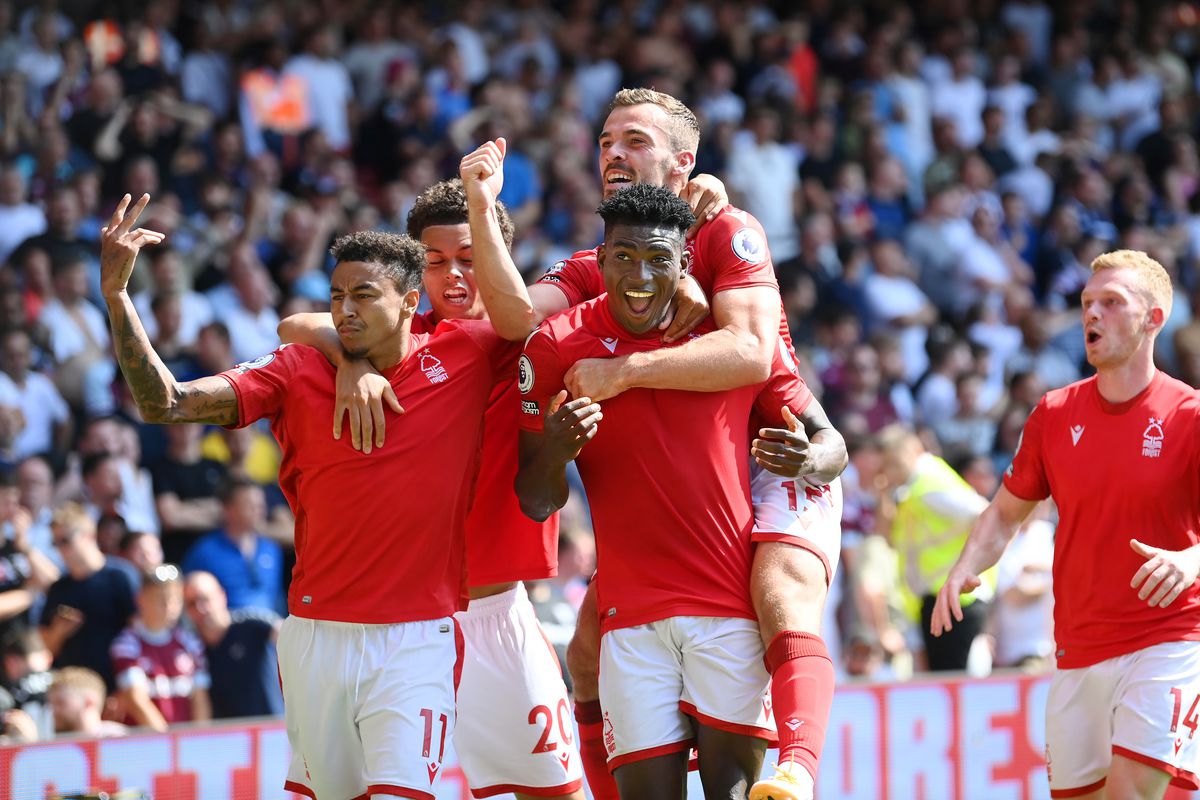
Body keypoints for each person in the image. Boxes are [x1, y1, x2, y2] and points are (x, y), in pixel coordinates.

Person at [461, 88, 844, 800]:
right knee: (583, 651)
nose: (613, 153)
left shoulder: (727, 228)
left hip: (774, 450)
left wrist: (621, 371)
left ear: (681, 164)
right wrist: (481, 206)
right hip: (675, 499)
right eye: (605, 140)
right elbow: (515, 318)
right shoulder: (590, 268)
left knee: (777, 591)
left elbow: (755, 357)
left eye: (634, 141)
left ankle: (797, 769)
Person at [101, 193, 511, 799]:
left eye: (364, 296)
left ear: (409, 303)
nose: (345, 311)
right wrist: (117, 296)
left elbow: (533, 313)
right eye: (336, 297)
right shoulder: (295, 370)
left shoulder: (467, 353)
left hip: (419, 637)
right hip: (317, 635)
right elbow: (165, 403)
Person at [278, 178, 585, 800]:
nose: (454, 275)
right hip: (396, 629)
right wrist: (353, 361)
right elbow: (296, 323)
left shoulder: (533, 331)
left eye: (470, 259)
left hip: (494, 616)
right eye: (436, 260)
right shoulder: (395, 338)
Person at [933, 250, 1200, 799]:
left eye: (1111, 302)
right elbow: (1004, 514)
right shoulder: (1054, 414)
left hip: (1170, 638)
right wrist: (965, 566)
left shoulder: (1189, 416)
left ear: (1153, 319)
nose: (1091, 315)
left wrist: (1190, 560)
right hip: (1077, 648)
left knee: (1131, 792)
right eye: (1086, 304)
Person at [39, 503, 137, 691]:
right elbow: (47, 648)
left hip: (118, 687)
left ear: (89, 535)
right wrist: (59, 631)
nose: (60, 549)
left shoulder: (120, 577)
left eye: (65, 540)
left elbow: (137, 633)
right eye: (55, 543)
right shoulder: (59, 589)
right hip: (73, 694)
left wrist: (126, 692)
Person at [110, 563, 211, 731]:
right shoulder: (127, 644)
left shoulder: (191, 642)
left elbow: (200, 697)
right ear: (140, 599)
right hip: (148, 746)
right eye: (161, 599)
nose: (169, 607)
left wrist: (197, 738)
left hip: (184, 744)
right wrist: (166, 741)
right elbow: (136, 699)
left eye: (176, 600)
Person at [183, 571, 283, 720]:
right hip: (229, 738)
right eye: (192, 603)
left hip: (270, 730)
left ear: (222, 596)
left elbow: (293, 639)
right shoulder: (190, 647)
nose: (200, 608)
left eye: (205, 599)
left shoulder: (252, 623)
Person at [47, 666, 127, 738]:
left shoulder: (117, 740)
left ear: (89, 702)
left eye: (60, 703)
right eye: (51, 704)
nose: (53, 710)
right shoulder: (54, 746)